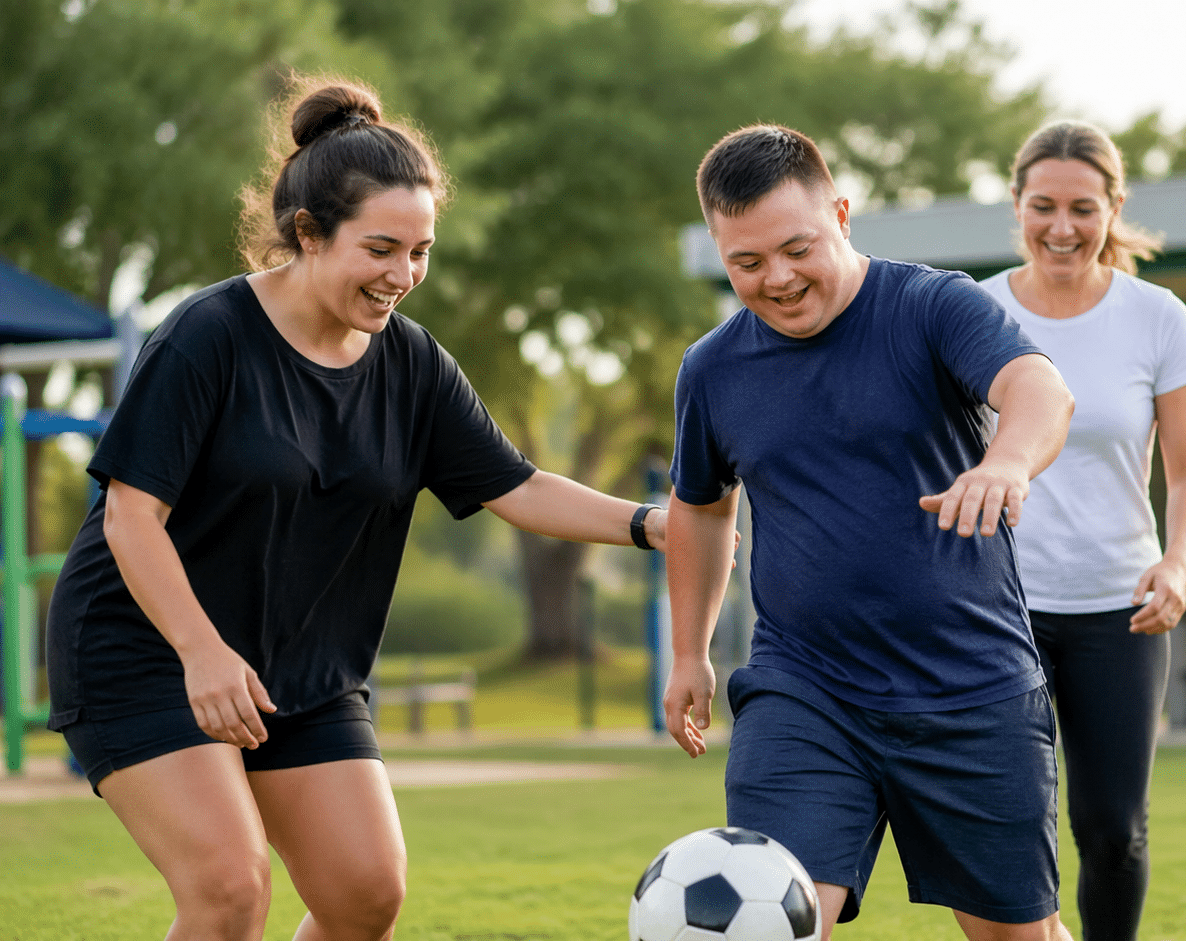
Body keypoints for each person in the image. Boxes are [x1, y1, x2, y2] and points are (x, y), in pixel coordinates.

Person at [44, 78, 669, 941]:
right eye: (382, 249)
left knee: (365, 894)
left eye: (421, 251)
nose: (403, 276)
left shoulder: (412, 363)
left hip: (303, 669)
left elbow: (515, 486)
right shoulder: (208, 336)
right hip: (152, 652)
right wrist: (202, 653)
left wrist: (651, 523)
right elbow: (129, 515)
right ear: (308, 233)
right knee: (230, 890)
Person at [663, 124, 1077, 941]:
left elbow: (1040, 388)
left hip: (971, 686)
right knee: (770, 918)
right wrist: (689, 650)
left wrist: (1006, 464)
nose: (777, 279)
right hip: (805, 687)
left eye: (796, 248)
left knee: (1016, 935)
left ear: (842, 215)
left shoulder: (930, 306)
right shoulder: (711, 368)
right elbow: (703, 508)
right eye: (746, 263)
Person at [976, 121, 1186, 941]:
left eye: (1083, 207)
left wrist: (1178, 562)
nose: (1062, 227)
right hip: (998, 610)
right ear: (1017, 206)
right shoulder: (976, 309)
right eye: (1043, 206)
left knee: (1113, 829)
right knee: (1010, 815)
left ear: (1114, 207)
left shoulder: (1157, 316)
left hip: (1123, 608)